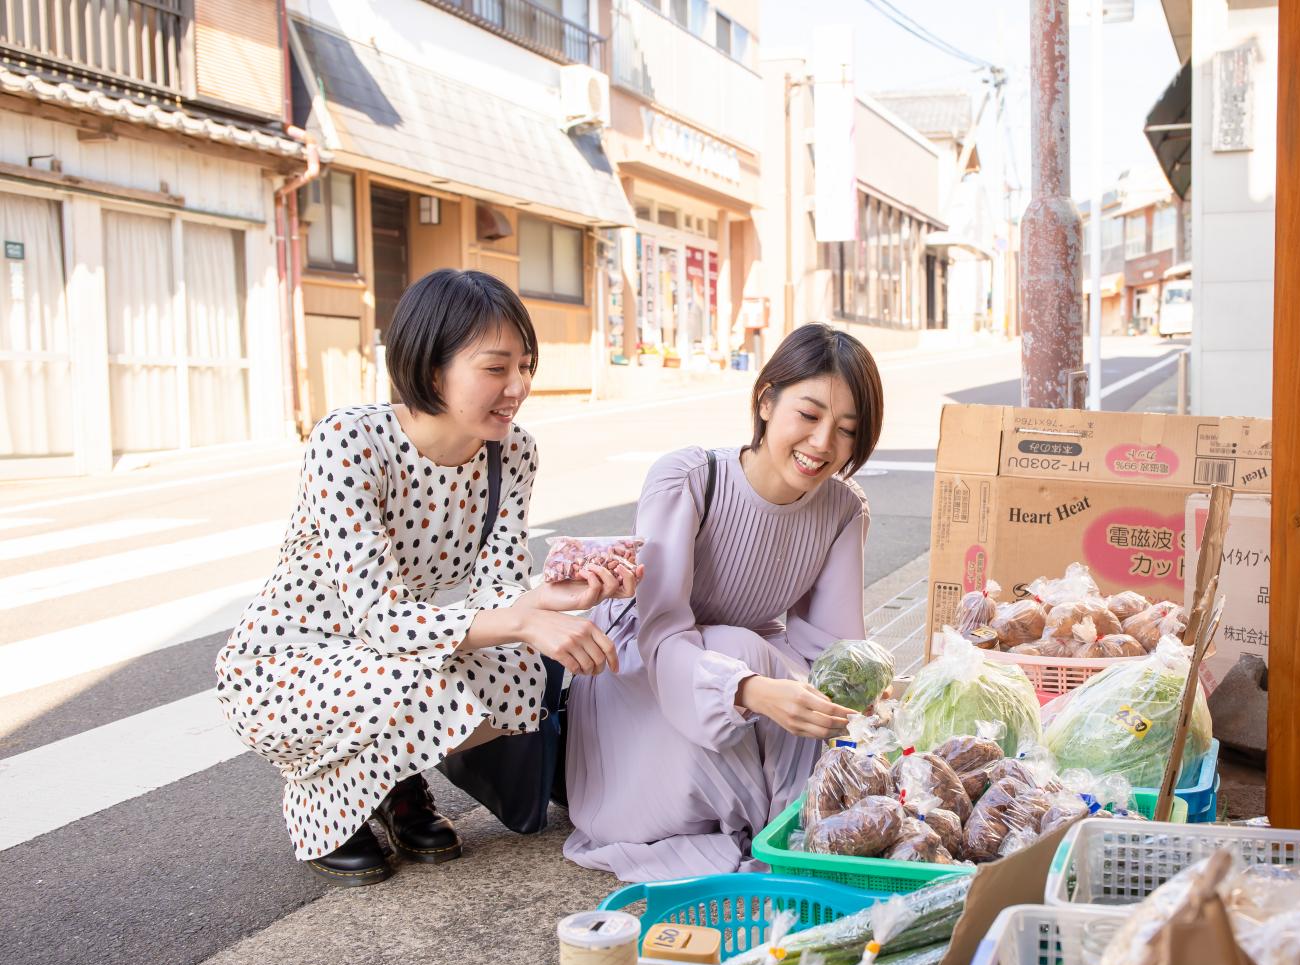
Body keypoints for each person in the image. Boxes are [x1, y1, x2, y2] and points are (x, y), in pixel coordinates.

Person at [215, 269, 638, 887]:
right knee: (428, 687)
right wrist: (522, 619)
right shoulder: (350, 440)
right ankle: (340, 802)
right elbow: (380, 617)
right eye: (495, 368)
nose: (517, 386)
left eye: (525, 366)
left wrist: (545, 600)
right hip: (291, 666)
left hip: (399, 651)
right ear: (430, 364)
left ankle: (389, 780)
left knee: (522, 669)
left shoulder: (510, 451)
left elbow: (496, 588)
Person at [563, 323, 885, 881]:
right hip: (648, 666)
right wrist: (749, 689)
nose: (822, 444)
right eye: (808, 416)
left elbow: (830, 652)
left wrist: (859, 702)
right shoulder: (689, 478)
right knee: (748, 652)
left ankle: (797, 831)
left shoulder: (843, 508)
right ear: (765, 401)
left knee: (803, 692)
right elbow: (660, 630)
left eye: (846, 430)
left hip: (744, 663)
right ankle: (770, 825)